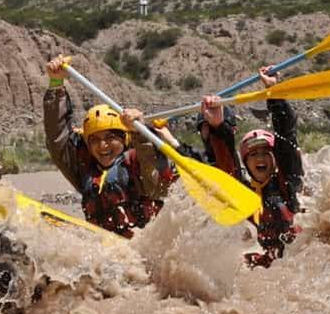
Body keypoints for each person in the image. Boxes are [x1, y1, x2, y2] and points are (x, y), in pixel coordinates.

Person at [43, 54, 178, 238]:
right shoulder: (85, 169)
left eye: (110, 137)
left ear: (124, 139)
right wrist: (56, 85)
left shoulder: (136, 162)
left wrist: (140, 132)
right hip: (105, 247)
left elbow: (156, 184)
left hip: (141, 248)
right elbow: (57, 140)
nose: (103, 145)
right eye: (95, 140)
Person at [201, 66, 304, 268]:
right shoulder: (243, 192)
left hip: (295, 258)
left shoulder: (288, 182)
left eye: (265, 153)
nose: (260, 158)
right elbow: (227, 165)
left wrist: (275, 95)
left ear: (274, 159)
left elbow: (286, 138)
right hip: (265, 262)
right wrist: (218, 126)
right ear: (246, 162)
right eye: (254, 154)